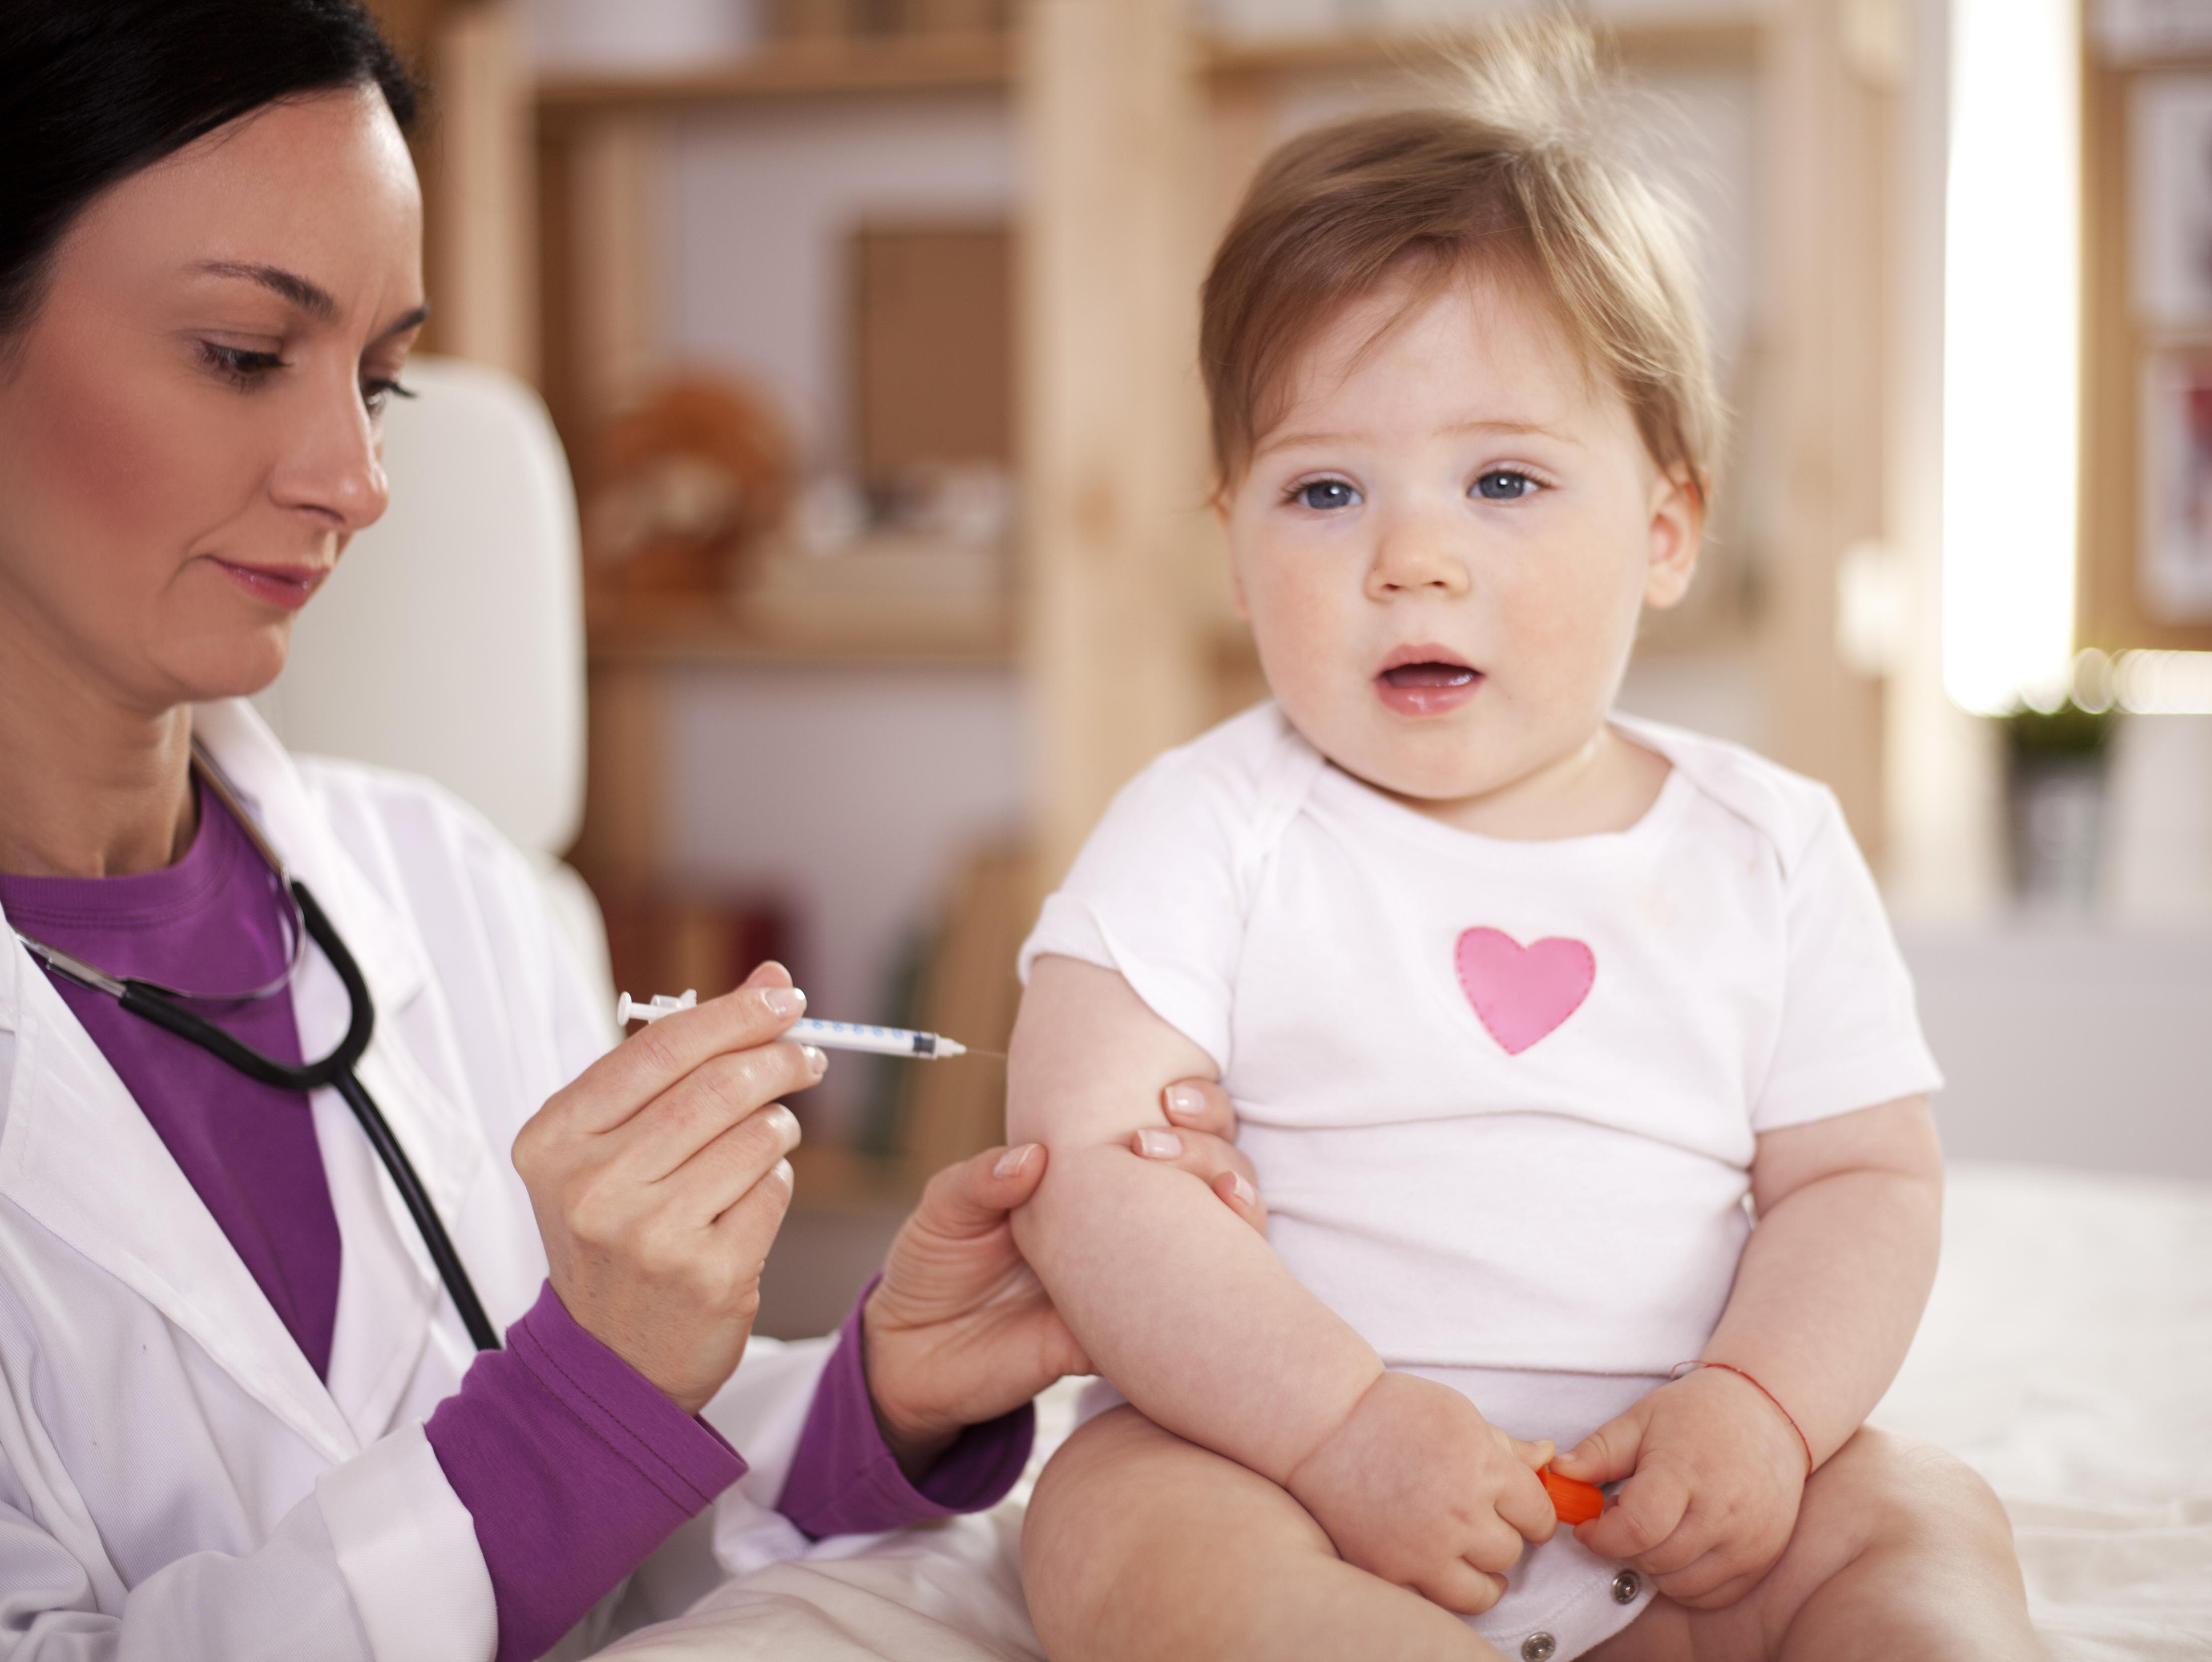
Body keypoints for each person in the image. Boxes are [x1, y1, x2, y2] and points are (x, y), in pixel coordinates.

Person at [0, 4, 1260, 1659]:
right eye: (246, 353)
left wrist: (881, 1392)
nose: (358, 477)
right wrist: (576, 1406)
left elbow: (614, 1534)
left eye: (379, 380)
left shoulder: (450, 890)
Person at [1005, 25, 2048, 1662]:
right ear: (1231, 541)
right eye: (1326, 494)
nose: (1413, 557)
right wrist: (1341, 1428)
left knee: (1917, 1515)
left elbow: (1861, 1181)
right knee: (1118, 1520)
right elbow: (1084, 1177)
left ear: (1664, 531)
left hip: (1672, 1504)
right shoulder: (1206, 829)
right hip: (1284, 1475)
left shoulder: (1767, 848)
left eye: (1501, 479)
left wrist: (1763, 1416)